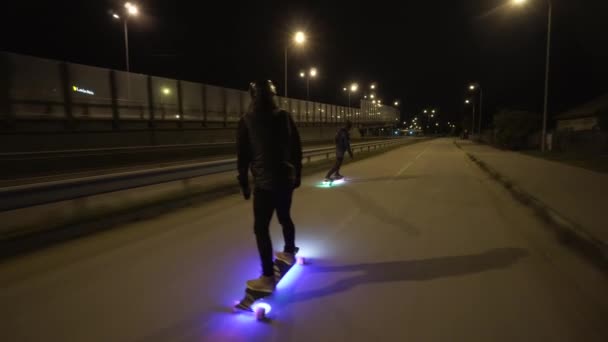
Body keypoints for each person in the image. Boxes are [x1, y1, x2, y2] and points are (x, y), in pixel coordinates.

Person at [237, 80, 303, 293]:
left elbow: (243, 157)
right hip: (286, 179)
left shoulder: (246, 120)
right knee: (285, 216)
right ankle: (289, 251)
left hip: (265, 184)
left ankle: (267, 278)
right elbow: (297, 148)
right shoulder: (284, 116)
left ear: (252, 96)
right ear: (273, 95)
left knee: (261, 228)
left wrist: (244, 184)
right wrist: (298, 175)